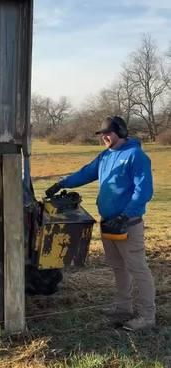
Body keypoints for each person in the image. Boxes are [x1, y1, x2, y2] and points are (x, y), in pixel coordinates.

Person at [45, 116, 156, 331]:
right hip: (108, 223)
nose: (104, 137)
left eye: (108, 133)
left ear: (120, 132)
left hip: (128, 224)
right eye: (102, 134)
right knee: (118, 268)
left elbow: (144, 192)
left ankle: (147, 316)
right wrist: (61, 183)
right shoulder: (106, 156)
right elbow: (86, 172)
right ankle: (123, 308)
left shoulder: (136, 156)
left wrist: (125, 216)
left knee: (138, 268)